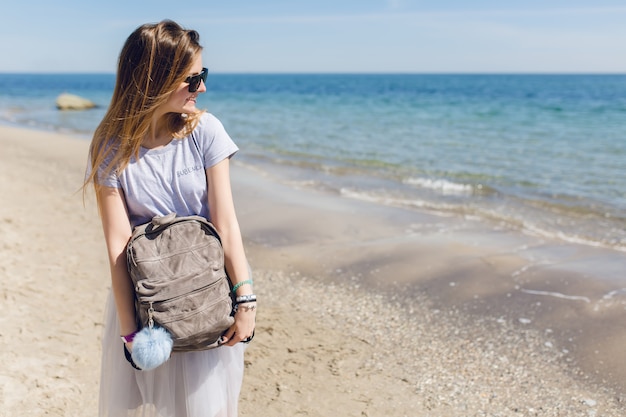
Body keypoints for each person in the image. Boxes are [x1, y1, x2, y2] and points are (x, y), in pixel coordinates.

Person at [84, 20, 256, 417]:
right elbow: (117, 247)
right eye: (192, 79)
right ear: (155, 80)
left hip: (208, 301)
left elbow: (226, 224)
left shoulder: (206, 132)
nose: (203, 88)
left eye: (203, 76)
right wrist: (131, 335)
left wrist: (245, 301)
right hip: (148, 307)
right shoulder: (110, 149)